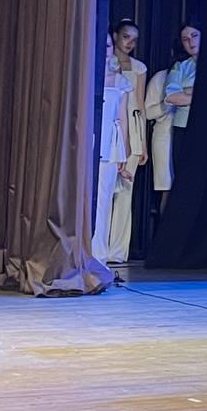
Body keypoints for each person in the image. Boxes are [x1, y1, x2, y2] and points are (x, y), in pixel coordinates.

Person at [107, 19, 148, 265]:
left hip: (132, 128)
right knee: (105, 191)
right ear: (115, 36)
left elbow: (140, 105)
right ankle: (97, 246)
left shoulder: (139, 67)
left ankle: (117, 250)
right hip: (110, 127)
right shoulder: (106, 61)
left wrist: (142, 142)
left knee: (124, 193)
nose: (130, 43)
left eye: (134, 39)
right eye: (125, 37)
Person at [93, 33, 133, 264]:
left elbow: (123, 119)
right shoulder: (86, 77)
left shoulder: (121, 81)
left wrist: (124, 153)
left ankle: (99, 253)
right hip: (89, 141)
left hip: (110, 143)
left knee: (104, 199)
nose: (105, 49)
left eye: (108, 45)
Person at [163, 21, 200, 190]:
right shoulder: (181, 67)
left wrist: (187, 91)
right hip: (183, 127)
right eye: (185, 39)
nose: (190, 42)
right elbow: (172, 96)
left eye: (194, 36)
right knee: (184, 178)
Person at [144, 67, 174, 212]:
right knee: (168, 189)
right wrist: (168, 103)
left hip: (187, 137)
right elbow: (148, 112)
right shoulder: (161, 77)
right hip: (164, 137)